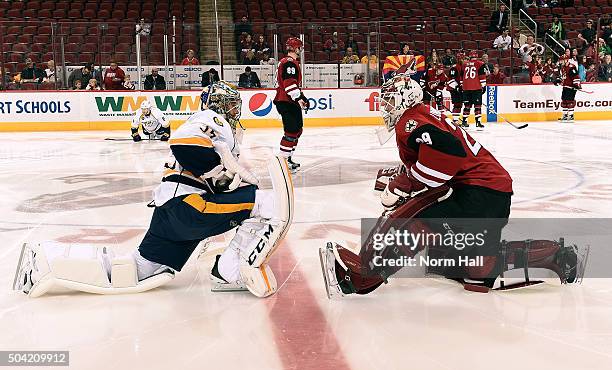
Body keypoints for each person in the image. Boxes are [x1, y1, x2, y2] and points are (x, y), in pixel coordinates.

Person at [14, 81, 295, 299]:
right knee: (267, 203)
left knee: (135, 271)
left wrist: (223, 174)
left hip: (169, 210)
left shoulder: (213, 126)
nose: (235, 111)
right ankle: (228, 272)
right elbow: (184, 141)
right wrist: (219, 169)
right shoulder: (213, 119)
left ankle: (46, 260)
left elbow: (201, 164)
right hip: (188, 207)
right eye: (231, 104)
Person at [319, 74, 583, 298]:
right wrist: (404, 179)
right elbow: (439, 159)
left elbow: (448, 154)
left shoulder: (411, 120)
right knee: (478, 272)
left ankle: (364, 277)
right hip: (487, 190)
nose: (385, 107)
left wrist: (405, 185)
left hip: (481, 192)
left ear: (405, 99)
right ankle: (556, 256)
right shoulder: (422, 115)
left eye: (390, 101)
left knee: (415, 224)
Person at [273, 37, 309, 173]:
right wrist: (299, 97)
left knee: (297, 130)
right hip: (286, 101)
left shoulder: (288, 62)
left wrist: (301, 96)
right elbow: (289, 84)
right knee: (291, 132)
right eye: (299, 48)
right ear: (295, 48)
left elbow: (291, 84)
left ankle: (288, 158)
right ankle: (283, 162)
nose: (301, 50)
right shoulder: (289, 63)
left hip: (289, 101)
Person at [460, 50, 487, 129]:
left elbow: (461, 77)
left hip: (466, 88)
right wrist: (483, 86)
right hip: (476, 88)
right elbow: (482, 77)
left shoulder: (464, 64)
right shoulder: (480, 64)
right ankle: (478, 122)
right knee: (477, 106)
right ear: (477, 56)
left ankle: (464, 121)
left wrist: (462, 85)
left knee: (467, 105)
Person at [554, 56, 581, 123]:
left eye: (561, 61)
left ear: (566, 60)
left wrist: (576, 84)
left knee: (570, 101)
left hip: (571, 87)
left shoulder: (571, 67)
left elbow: (576, 76)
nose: (560, 62)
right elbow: (563, 77)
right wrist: (558, 81)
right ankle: (565, 116)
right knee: (564, 101)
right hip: (565, 86)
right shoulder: (563, 68)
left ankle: (571, 116)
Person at [446, 51, 465, 124]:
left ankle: (456, 120)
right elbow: (450, 79)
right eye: (461, 58)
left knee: (460, 104)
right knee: (457, 104)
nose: (462, 60)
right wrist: (456, 87)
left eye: (463, 58)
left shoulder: (463, 67)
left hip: (460, 88)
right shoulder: (454, 67)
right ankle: (455, 120)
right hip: (454, 88)